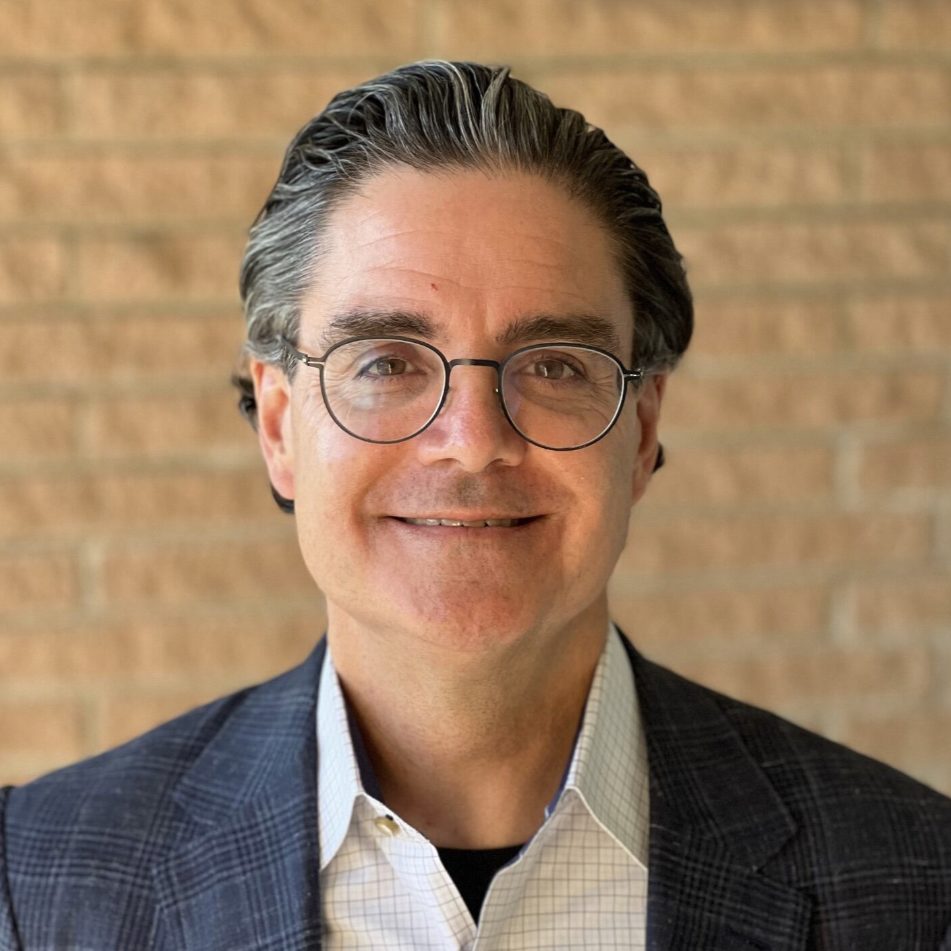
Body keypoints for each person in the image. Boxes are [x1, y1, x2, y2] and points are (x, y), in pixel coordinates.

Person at [1, 60, 949, 951]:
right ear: (280, 426)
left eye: (553, 366)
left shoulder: (914, 882)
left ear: (641, 428)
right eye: (384, 363)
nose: (471, 439)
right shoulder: (35, 887)